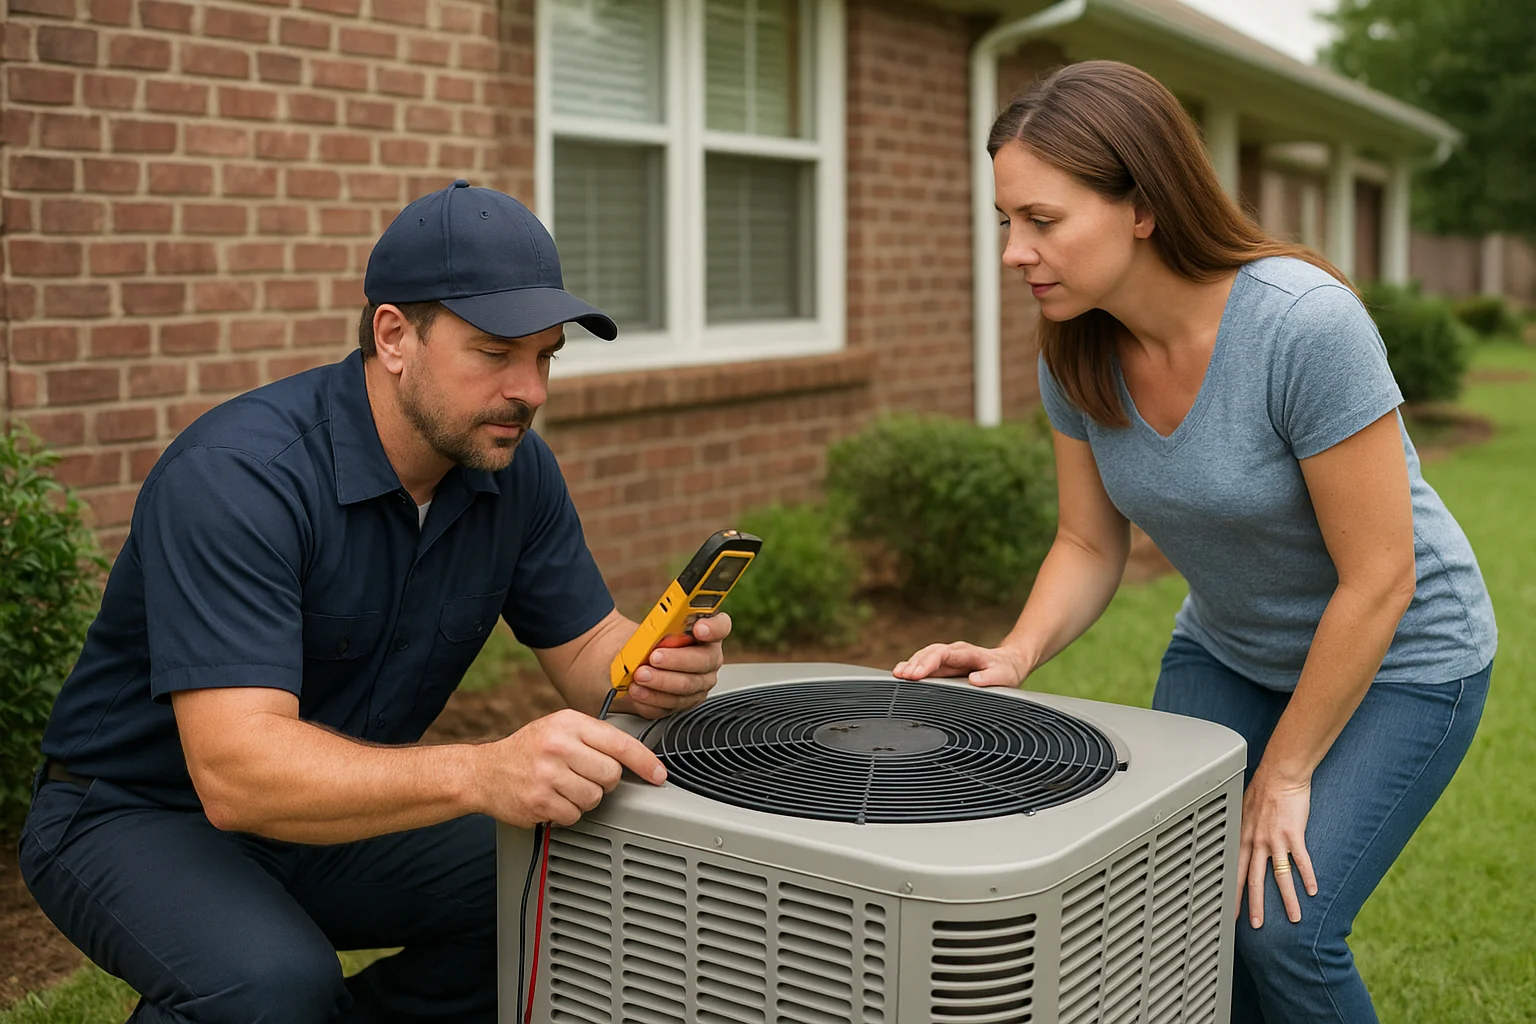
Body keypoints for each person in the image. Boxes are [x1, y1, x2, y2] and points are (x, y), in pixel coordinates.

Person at [18, 179, 731, 1024]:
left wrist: (652, 666)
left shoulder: (510, 468)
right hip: (135, 813)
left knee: (567, 883)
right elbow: (238, 775)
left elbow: (588, 654)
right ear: (394, 336)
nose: (531, 390)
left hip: (332, 807)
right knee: (273, 987)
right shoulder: (239, 479)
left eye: (545, 357)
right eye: (496, 353)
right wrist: (481, 771)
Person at [894, 61, 1496, 1024]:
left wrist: (1283, 774)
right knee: (1181, 908)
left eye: (1041, 220)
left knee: (1283, 929)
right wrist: (1017, 651)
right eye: (1004, 220)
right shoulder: (1075, 345)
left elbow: (1382, 578)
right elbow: (1088, 542)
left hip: (1404, 659)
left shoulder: (1301, 326)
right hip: (1230, 650)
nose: (1014, 252)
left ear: (1143, 206)